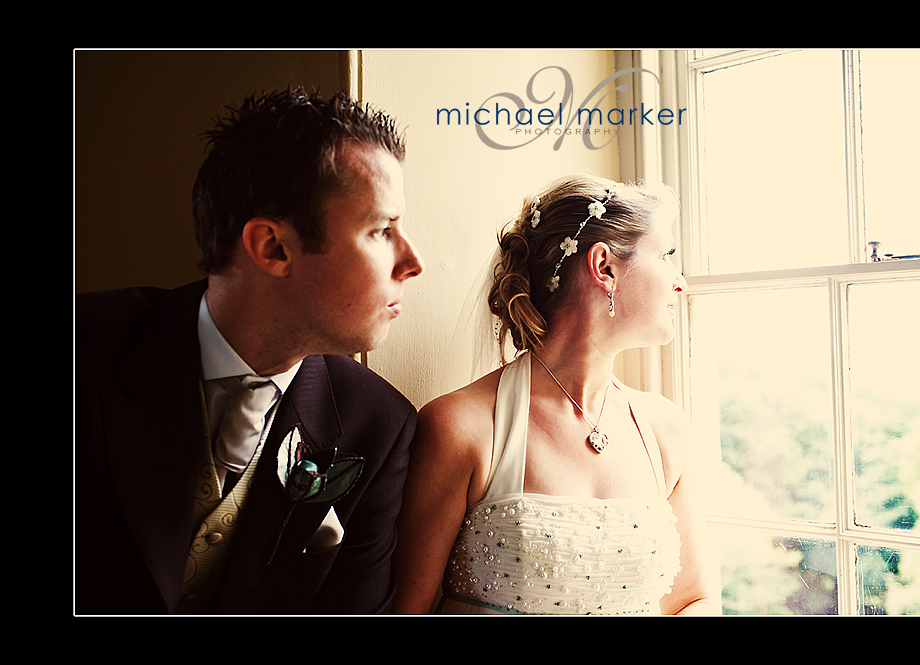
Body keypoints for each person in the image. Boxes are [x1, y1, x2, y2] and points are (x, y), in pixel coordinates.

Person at [75, 88, 424, 614]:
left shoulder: (379, 427)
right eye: (381, 230)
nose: (412, 261)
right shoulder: (88, 349)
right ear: (273, 248)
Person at [393, 175, 717, 614]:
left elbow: (693, 600)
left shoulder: (667, 432)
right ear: (604, 267)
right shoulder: (461, 427)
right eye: (666, 256)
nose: (680, 282)